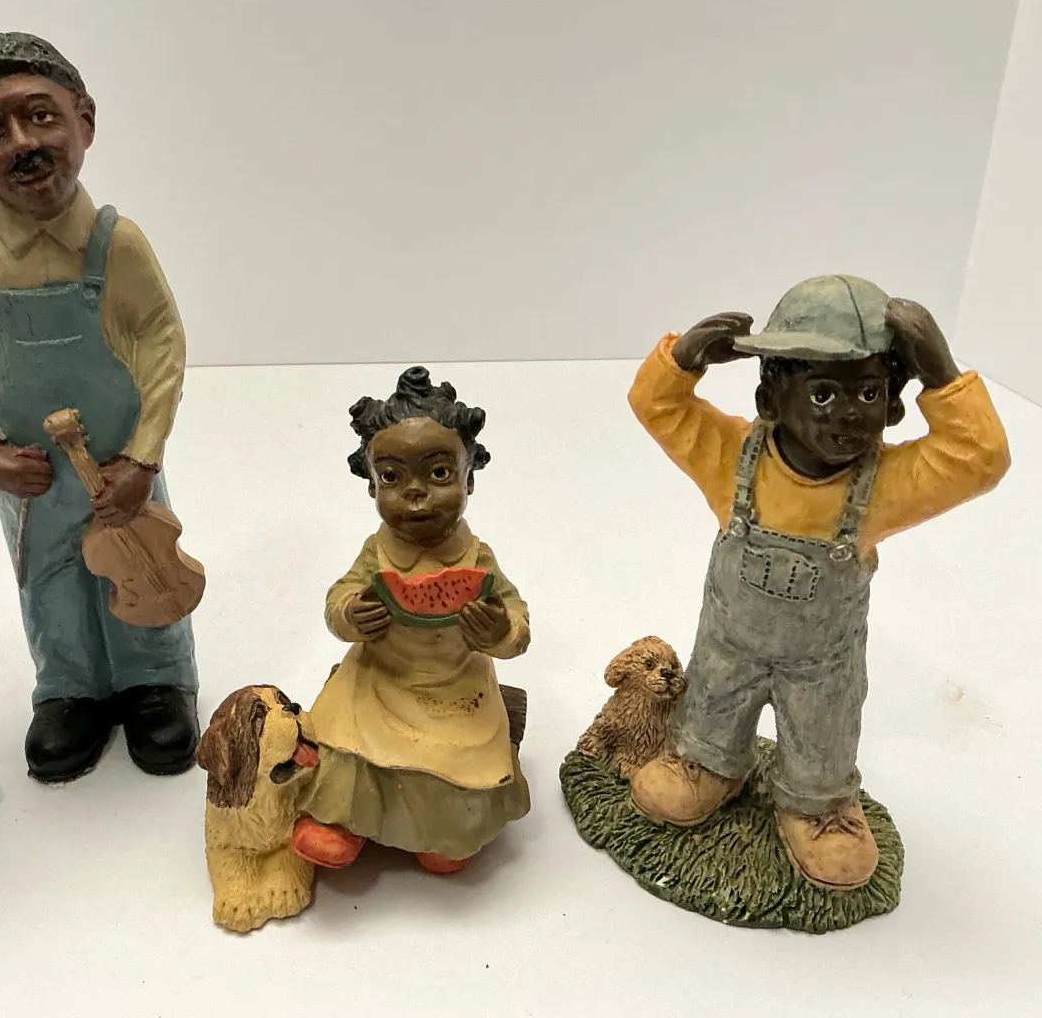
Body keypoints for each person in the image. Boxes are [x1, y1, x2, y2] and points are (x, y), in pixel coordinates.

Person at [626, 275, 1010, 890]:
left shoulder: (883, 485)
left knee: (822, 737)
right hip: (728, 648)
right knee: (711, 709)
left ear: (893, 406)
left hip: (821, 665)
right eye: (823, 393)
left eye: (869, 392)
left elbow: (980, 459)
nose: (849, 414)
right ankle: (707, 763)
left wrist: (942, 374)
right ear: (770, 400)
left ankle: (818, 805)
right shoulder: (731, 457)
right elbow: (658, 407)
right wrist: (682, 360)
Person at [0, 32, 200, 783]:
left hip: (121, 463)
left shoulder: (117, 243)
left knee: (141, 560)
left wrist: (143, 456)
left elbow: (162, 344)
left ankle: (156, 680)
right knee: (47, 577)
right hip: (32, 477)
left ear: (86, 120)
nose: (22, 144)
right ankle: (70, 689)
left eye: (41, 116)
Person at [291, 367, 531, 875]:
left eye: (439, 474)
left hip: (456, 688)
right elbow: (338, 597)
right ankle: (341, 821)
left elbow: (517, 617)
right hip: (380, 679)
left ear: (469, 477)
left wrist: (502, 632)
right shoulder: (376, 552)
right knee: (346, 749)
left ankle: (443, 829)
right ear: (371, 485)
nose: (415, 493)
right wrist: (350, 614)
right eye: (392, 477)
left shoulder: (477, 558)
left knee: (459, 763)